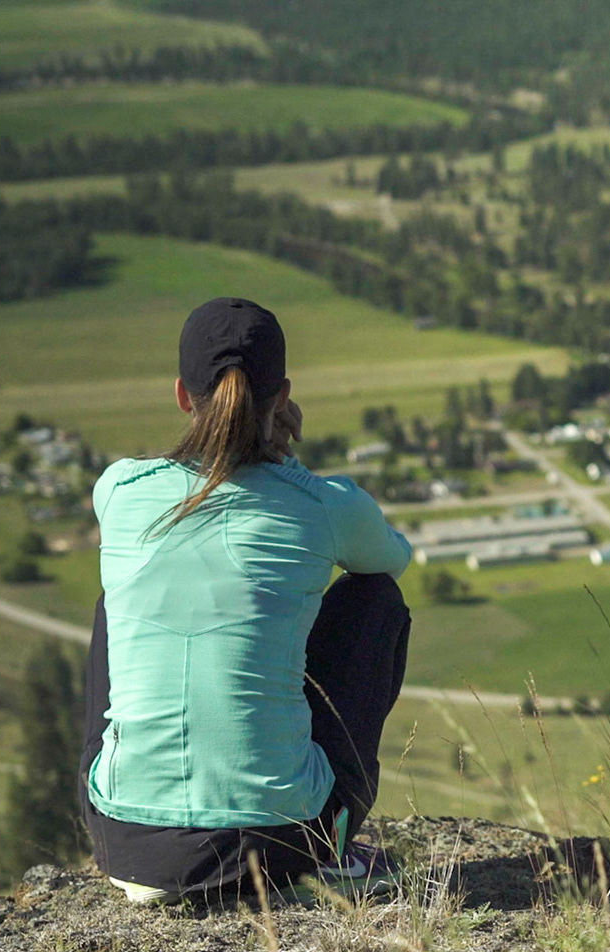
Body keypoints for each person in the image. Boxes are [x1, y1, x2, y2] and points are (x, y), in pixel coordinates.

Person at [77, 297, 414, 904]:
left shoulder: (119, 489)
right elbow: (392, 560)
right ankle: (335, 845)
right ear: (281, 396)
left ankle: (145, 820)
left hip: (124, 840)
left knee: (116, 600)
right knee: (375, 599)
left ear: (182, 395)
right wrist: (289, 464)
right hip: (283, 843)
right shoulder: (321, 505)